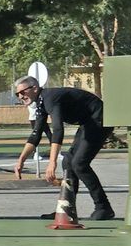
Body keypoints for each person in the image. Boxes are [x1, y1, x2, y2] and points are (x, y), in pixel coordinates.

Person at [11, 76, 116, 221]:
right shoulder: (41, 102)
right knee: (68, 162)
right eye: (17, 94)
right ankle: (66, 209)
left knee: (79, 164)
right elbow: (36, 133)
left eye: (22, 92)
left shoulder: (50, 98)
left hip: (99, 120)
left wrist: (52, 162)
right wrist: (20, 161)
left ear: (34, 88)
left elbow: (58, 130)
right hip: (88, 122)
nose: (20, 96)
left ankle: (103, 207)